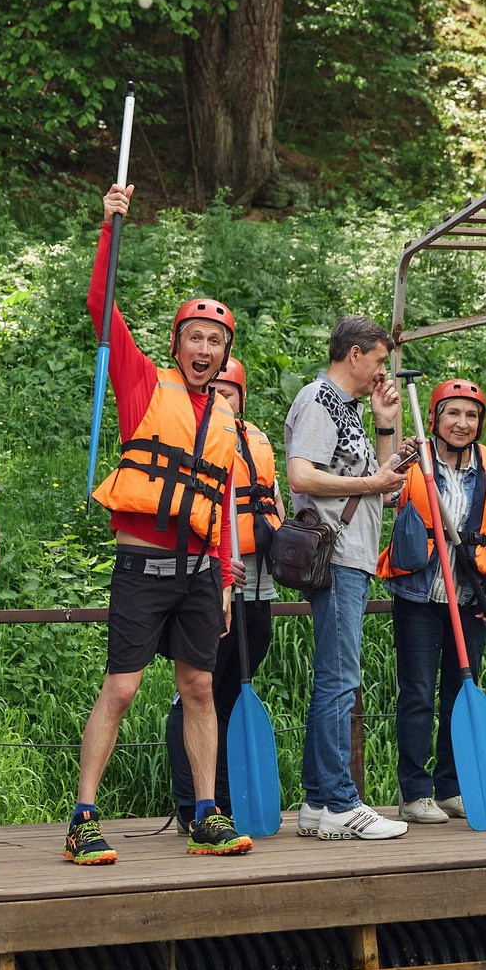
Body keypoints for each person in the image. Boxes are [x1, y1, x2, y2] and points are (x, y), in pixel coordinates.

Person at [71, 183, 253, 864]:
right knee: (122, 686)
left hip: (201, 572)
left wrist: (227, 580)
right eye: (194, 336)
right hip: (142, 566)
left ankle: (205, 813)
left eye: (214, 339)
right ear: (177, 343)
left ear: (224, 351)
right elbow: (100, 305)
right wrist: (110, 228)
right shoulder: (144, 383)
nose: (203, 347)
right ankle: (83, 815)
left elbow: (220, 510)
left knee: (200, 685)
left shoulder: (229, 418)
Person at [284, 317, 410, 841]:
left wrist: (385, 425)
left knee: (336, 681)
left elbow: (386, 487)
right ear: (353, 354)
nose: (383, 370)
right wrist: (373, 480)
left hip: (354, 555)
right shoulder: (318, 400)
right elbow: (301, 474)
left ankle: (317, 804)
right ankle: (340, 802)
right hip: (334, 556)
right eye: (380, 360)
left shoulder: (351, 409)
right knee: (340, 682)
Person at [381, 379, 486, 823]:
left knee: (461, 693)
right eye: (453, 413)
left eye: (471, 415)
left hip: (471, 598)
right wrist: (395, 451)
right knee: (418, 694)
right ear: (436, 417)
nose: (462, 423)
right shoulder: (413, 457)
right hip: (419, 597)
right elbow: (382, 494)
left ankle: (450, 787)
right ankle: (414, 791)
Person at [165, 356, 283, 831]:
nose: (221, 398)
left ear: (241, 397)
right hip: (208, 581)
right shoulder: (191, 439)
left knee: (233, 691)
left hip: (257, 583)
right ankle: (190, 803)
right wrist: (216, 556)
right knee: (198, 692)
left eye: (229, 391)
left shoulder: (256, 441)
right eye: (214, 390)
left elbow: (271, 502)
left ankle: (224, 800)